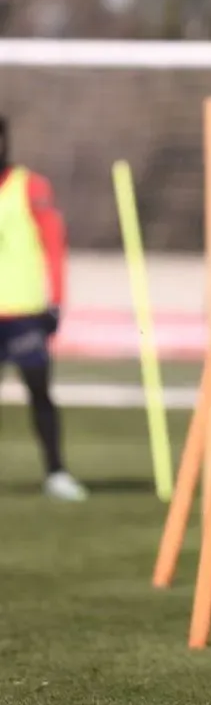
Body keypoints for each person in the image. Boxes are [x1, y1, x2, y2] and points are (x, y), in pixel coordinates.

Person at [0, 117, 87, 501]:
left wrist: (57, 300)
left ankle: (56, 471)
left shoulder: (30, 186)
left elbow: (54, 244)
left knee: (40, 393)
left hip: (24, 314)